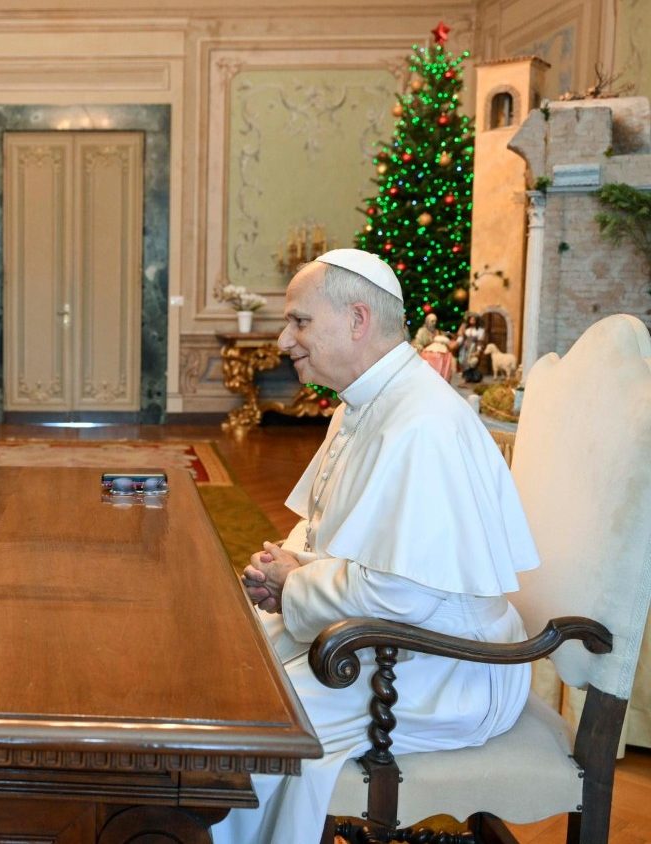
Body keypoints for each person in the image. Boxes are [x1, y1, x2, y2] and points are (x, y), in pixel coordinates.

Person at [211, 249, 540, 843]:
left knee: (256, 730)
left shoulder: (422, 425)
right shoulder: (365, 404)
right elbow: (321, 527)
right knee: (226, 672)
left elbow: (402, 595)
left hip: (445, 667)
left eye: (299, 322)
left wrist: (293, 583)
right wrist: (278, 568)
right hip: (389, 642)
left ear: (357, 320)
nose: (285, 340)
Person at [452, 310, 487, 383]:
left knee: (472, 362)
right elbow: (461, 337)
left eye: (474, 320)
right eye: (471, 319)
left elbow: (480, 341)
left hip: (473, 347)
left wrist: (478, 350)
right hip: (464, 347)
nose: (472, 321)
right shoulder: (466, 329)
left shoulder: (479, 330)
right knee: (462, 360)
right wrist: (457, 343)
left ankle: (472, 377)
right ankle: (465, 377)